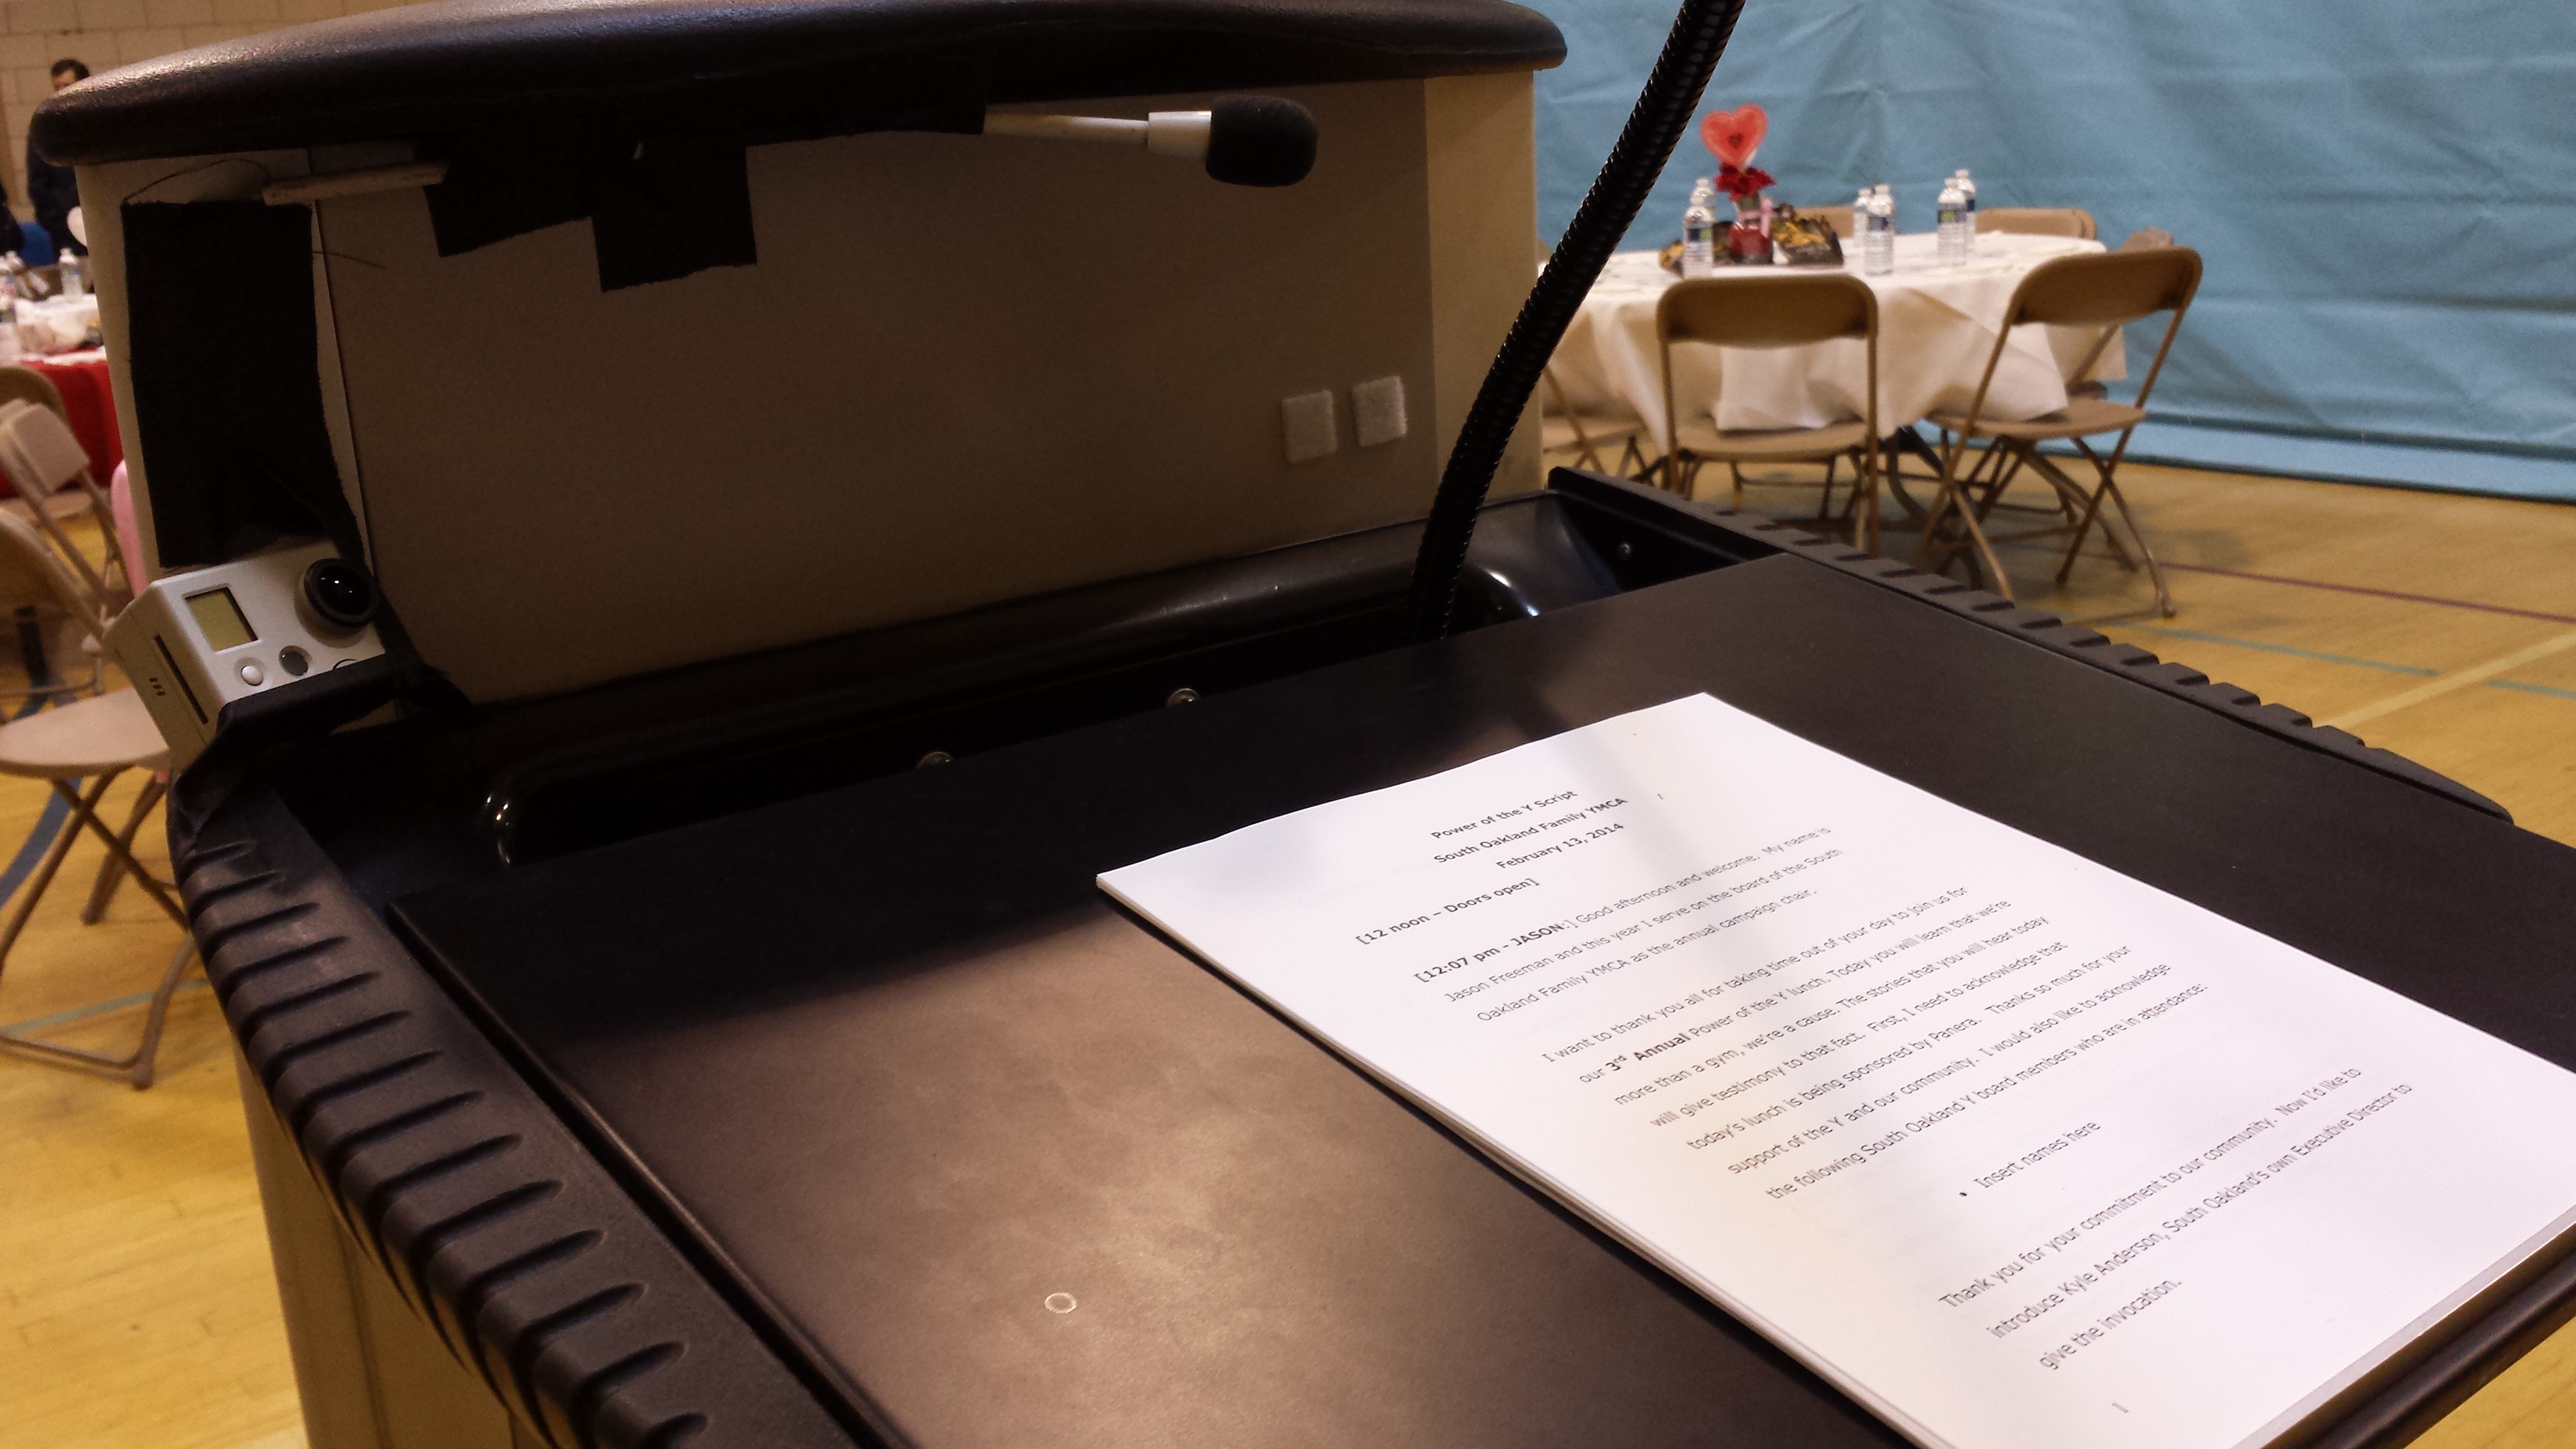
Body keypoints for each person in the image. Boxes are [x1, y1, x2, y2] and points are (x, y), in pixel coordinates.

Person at [24, 60, 87, 257]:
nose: (61, 93)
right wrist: (55, 220)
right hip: (64, 230)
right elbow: (37, 183)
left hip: (102, 218)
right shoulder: (45, 131)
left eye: (67, 86)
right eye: (57, 88)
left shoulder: (103, 124)